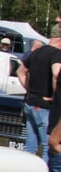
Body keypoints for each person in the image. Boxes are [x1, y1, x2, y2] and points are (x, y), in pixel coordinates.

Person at [18, 25, 61, 158]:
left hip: (30, 103)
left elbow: (20, 71)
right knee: (49, 145)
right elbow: (56, 74)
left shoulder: (37, 51)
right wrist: (55, 96)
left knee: (30, 145)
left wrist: (30, 90)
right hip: (44, 106)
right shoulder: (56, 54)